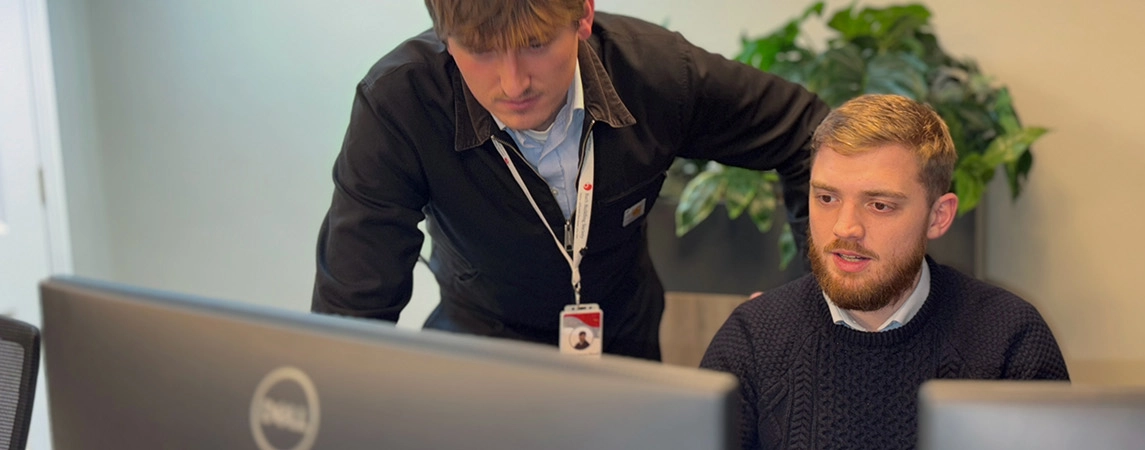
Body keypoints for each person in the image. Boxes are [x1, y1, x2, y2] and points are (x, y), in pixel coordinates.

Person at [311, 0, 827, 361]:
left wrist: (815, 301)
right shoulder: (398, 105)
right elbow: (351, 314)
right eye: (481, 49)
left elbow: (813, 135)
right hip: (478, 353)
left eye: (535, 43)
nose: (513, 84)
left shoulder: (659, 74)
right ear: (444, 34)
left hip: (627, 345)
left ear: (583, 12)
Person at [700, 94, 1068, 450]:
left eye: (879, 205)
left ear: (938, 216)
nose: (845, 228)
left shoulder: (1011, 339)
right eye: (826, 198)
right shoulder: (753, 337)